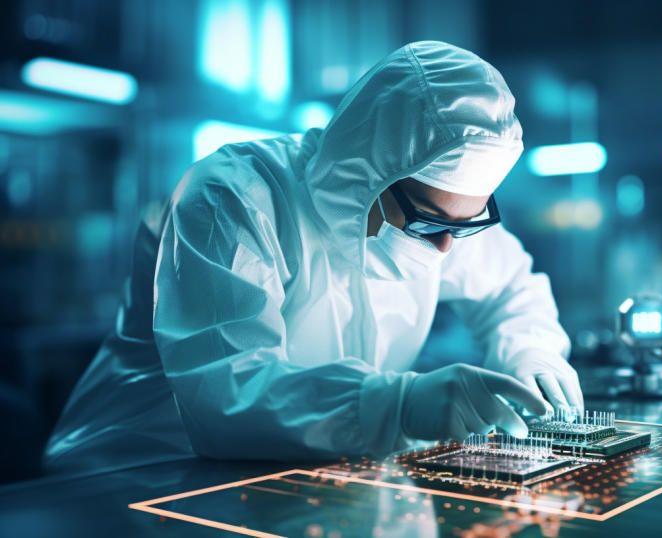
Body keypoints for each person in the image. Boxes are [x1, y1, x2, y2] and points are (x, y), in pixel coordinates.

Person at [44, 41, 581, 474]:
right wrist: (397, 406)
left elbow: (513, 290)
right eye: (430, 223)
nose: (445, 248)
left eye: (464, 226)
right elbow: (225, 392)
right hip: (140, 478)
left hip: (304, 473)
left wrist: (531, 355)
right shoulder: (234, 198)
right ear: (368, 175)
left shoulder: (436, 208)